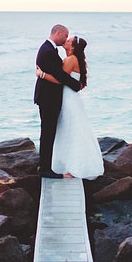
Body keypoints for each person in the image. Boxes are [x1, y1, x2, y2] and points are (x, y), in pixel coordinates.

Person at [37, 35, 104, 179]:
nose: (66, 41)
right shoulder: (72, 59)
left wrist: (41, 74)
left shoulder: (71, 60)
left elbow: (59, 79)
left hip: (68, 99)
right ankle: (62, 162)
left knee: (69, 129)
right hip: (70, 98)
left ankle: (70, 163)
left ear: (72, 47)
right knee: (70, 129)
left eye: (69, 40)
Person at [34, 24, 81, 179]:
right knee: (48, 133)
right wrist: (76, 85)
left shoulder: (49, 49)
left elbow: (58, 74)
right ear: (58, 33)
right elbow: (60, 76)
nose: (66, 39)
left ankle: (45, 165)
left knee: (48, 132)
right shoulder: (48, 50)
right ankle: (45, 169)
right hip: (48, 99)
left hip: (48, 98)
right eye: (65, 36)